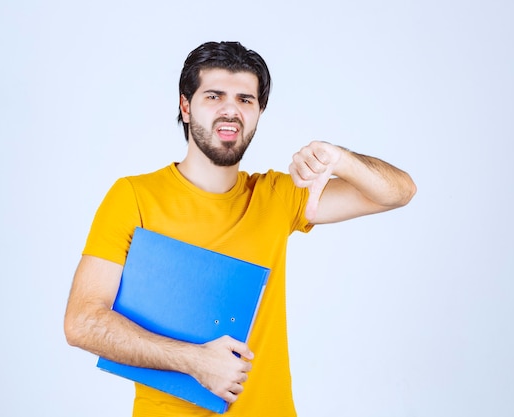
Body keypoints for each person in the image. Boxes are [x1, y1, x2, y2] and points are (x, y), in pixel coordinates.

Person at [64, 41, 416, 416]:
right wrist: (194, 360)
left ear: (259, 111)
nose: (231, 110)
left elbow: (398, 192)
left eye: (246, 100)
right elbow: (82, 322)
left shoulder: (278, 196)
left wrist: (340, 159)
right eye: (214, 96)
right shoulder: (134, 196)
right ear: (186, 107)